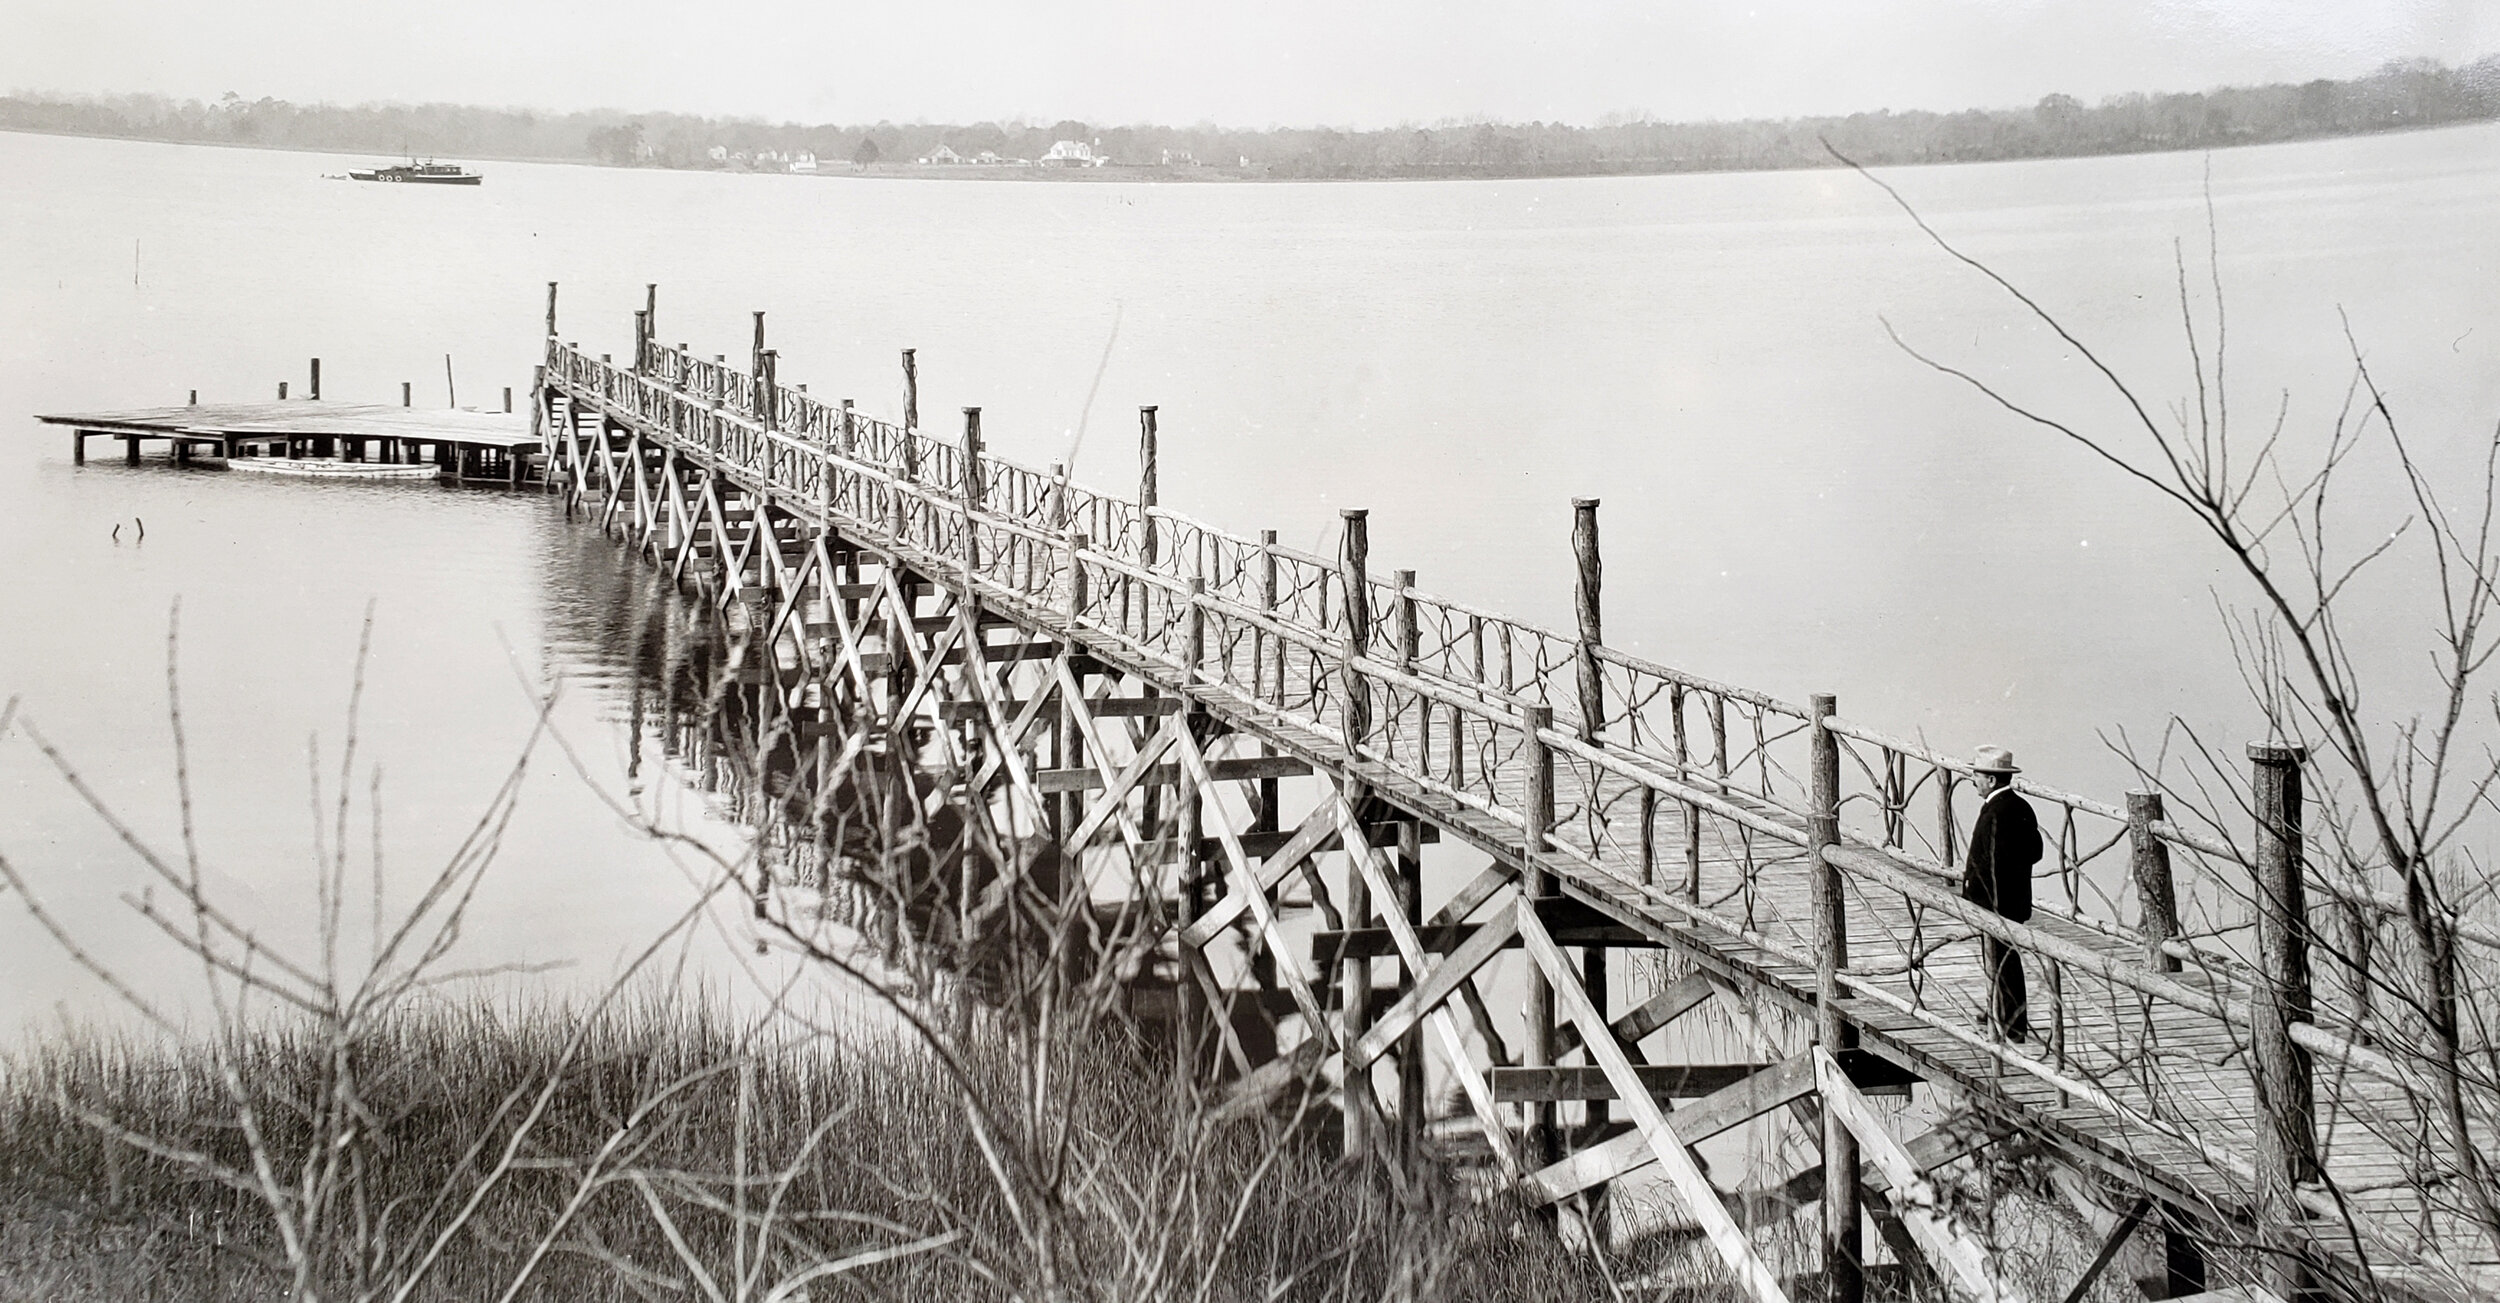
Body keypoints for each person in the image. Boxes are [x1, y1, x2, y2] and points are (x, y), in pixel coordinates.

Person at [1962, 745, 2041, 1041]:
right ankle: (1998, 1009)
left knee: (2003, 960)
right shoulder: (2021, 807)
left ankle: (2013, 1024)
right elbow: (2036, 851)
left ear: (1992, 780)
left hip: (1996, 902)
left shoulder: (1997, 811)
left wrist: (1977, 894)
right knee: (2000, 957)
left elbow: (1991, 860)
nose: (1973, 779)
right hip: (2013, 899)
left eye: (1977, 775)